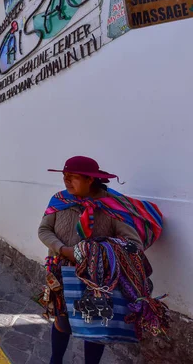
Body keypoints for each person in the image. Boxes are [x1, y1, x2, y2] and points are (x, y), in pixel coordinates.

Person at [38, 156, 145, 364]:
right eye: (65, 176)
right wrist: (63, 249)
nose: (66, 181)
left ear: (90, 179)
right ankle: (55, 360)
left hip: (96, 280)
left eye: (72, 177)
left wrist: (95, 252)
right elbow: (44, 229)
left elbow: (133, 243)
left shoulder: (110, 207)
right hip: (61, 273)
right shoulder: (60, 200)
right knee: (62, 321)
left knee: (94, 326)